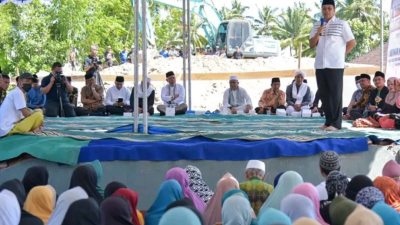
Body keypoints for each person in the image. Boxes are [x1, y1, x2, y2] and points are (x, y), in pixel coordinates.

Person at [310, 0, 356, 130]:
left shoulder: (342, 24)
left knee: (335, 94)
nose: (327, 11)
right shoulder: (316, 25)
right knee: (324, 94)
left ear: (334, 10)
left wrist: (342, 55)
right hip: (320, 64)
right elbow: (312, 44)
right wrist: (318, 32)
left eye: (329, 8)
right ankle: (328, 121)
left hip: (335, 64)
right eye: (324, 8)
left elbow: (352, 42)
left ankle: (336, 123)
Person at [0, 73, 44, 137]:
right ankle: (34, 128)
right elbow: (25, 114)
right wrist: (38, 121)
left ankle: (34, 127)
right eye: (27, 81)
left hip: (6, 127)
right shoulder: (17, 92)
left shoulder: (18, 92)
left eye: (31, 82)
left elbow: (23, 113)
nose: (29, 84)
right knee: (38, 115)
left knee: (37, 111)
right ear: (19, 82)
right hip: (7, 129)